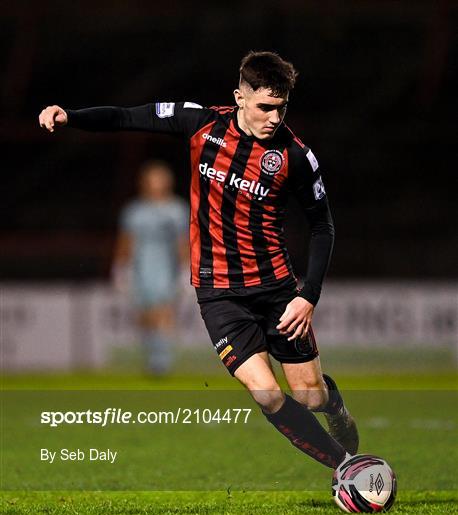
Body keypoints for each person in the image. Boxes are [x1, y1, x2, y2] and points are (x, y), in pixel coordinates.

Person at [39, 51, 358, 470]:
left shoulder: (296, 157)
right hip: (218, 293)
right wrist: (71, 116)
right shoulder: (201, 123)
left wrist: (308, 295)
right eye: (264, 107)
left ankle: (335, 410)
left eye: (281, 108)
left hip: (278, 291)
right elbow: (126, 117)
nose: (274, 118)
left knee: (309, 396)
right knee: (265, 393)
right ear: (239, 97)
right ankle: (346, 467)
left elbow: (323, 227)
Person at [112, 160, 188, 374]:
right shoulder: (134, 211)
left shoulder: (177, 209)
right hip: (140, 266)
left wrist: (185, 270)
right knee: (145, 315)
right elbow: (126, 241)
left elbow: (183, 242)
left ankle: (161, 362)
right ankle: (152, 356)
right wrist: (120, 269)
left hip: (165, 266)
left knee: (163, 310)